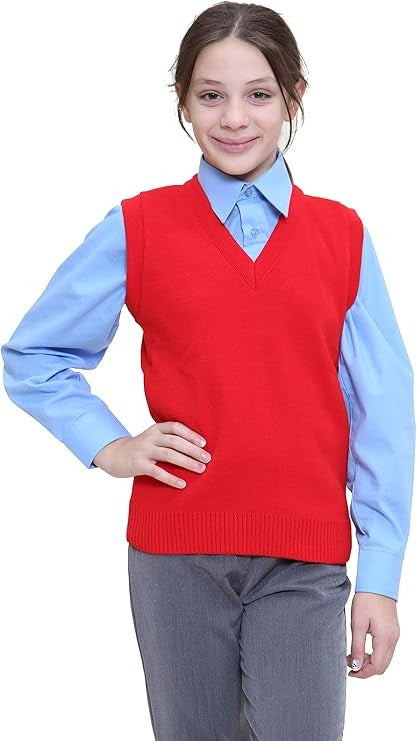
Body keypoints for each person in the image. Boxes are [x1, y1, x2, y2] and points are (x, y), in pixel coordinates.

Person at [2, 2, 415, 739]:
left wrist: (380, 577)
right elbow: (34, 354)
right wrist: (109, 445)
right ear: (183, 100)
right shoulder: (139, 226)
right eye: (210, 95)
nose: (233, 118)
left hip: (305, 558)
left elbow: (382, 410)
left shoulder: (342, 235)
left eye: (258, 94)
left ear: (294, 96)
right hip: (174, 556)